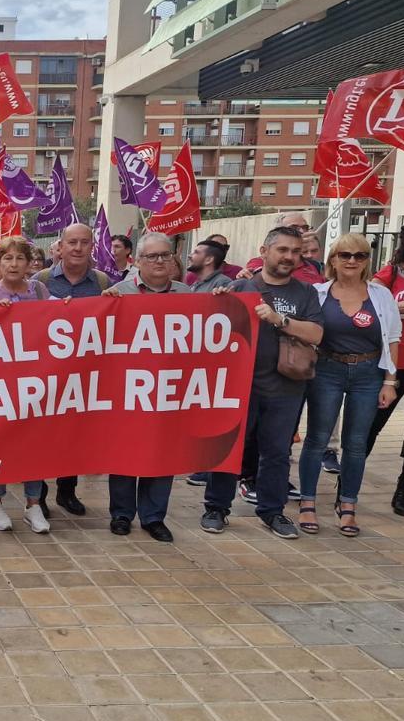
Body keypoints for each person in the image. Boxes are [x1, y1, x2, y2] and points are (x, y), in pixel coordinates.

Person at [201, 226, 323, 540]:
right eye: (283, 250)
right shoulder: (239, 286)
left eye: (296, 252)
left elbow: (317, 334)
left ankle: (272, 512)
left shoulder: (306, 292)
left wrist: (278, 319)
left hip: (286, 386)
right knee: (229, 448)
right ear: (264, 251)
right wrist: (218, 303)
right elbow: (208, 328)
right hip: (238, 386)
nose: (290, 257)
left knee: (277, 453)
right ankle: (216, 508)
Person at [297, 233, 400, 537]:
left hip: (369, 373)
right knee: (317, 439)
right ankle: (307, 502)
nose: (352, 261)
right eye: (345, 255)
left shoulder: (381, 296)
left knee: (355, 444)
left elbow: (393, 339)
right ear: (333, 259)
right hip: (327, 369)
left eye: (360, 255)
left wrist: (390, 381)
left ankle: (348, 505)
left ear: (368, 261)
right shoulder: (317, 293)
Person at [104, 233, 190, 542]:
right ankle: (122, 514)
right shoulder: (117, 293)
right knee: (125, 450)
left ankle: (154, 517)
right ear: (137, 261)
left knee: (162, 451)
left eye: (165, 256)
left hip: (169, 389)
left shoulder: (189, 295)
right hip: (127, 387)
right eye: (152, 256)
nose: (159, 262)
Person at [33, 222, 110, 516]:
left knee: (75, 436)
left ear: (92, 247)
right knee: (42, 437)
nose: (78, 248)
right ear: (60, 247)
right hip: (47, 372)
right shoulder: (40, 280)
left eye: (84, 242)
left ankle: (67, 492)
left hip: (84, 373)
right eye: (72, 242)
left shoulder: (102, 283)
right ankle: (37, 496)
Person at [0, 236, 50, 534]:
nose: (14, 264)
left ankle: (33, 505)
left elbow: (59, 322)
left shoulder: (40, 291)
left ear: (30, 262)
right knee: (1, 445)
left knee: (34, 445)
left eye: (20, 258)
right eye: (8, 258)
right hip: (0, 385)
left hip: (35, 382)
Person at [367, 216, 404, 515]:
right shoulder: (392, 272)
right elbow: (368, 302)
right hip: (396, 360)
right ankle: (349, 483)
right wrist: (397, 307)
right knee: (374, 421)